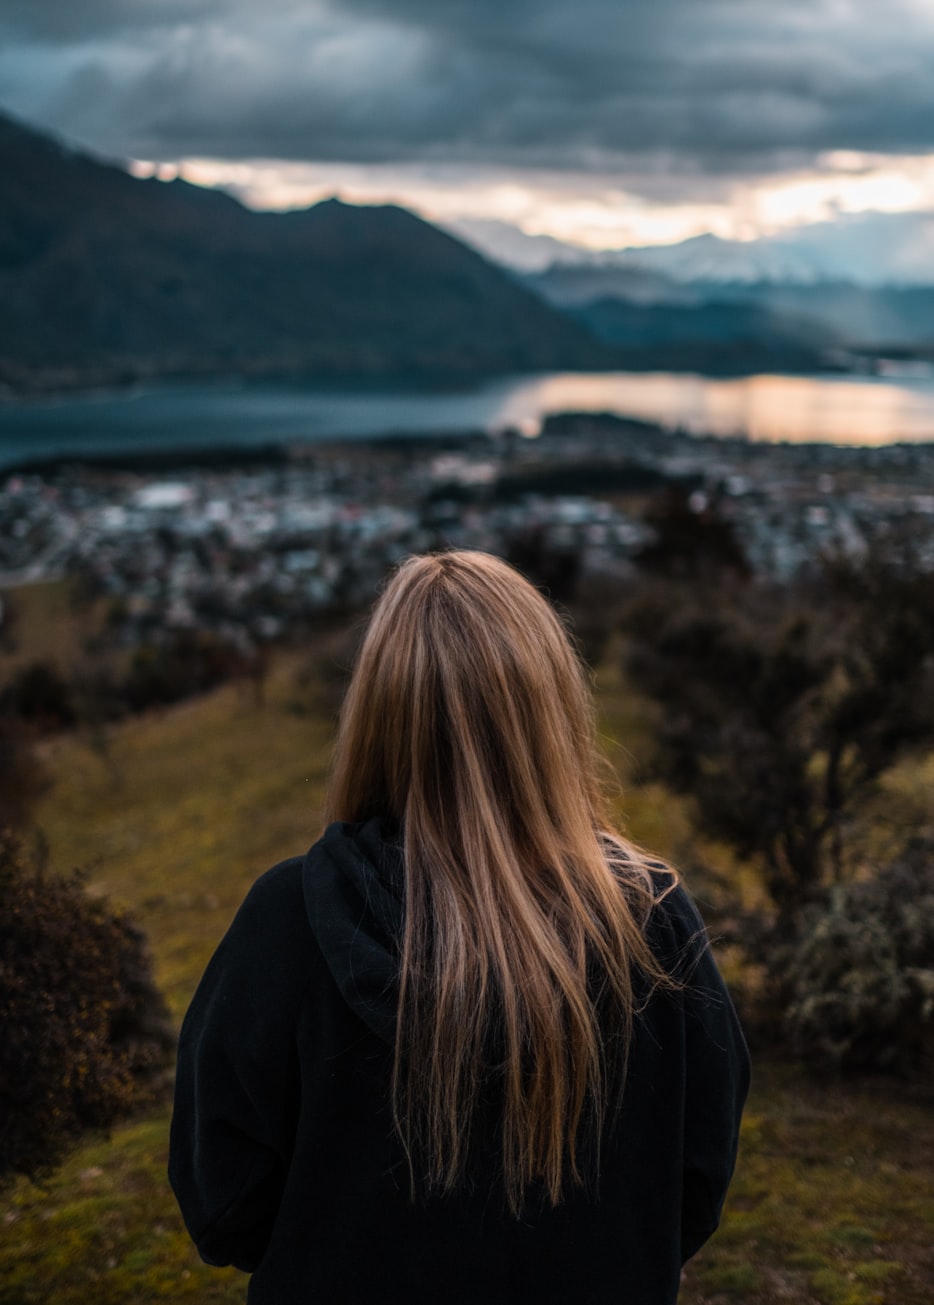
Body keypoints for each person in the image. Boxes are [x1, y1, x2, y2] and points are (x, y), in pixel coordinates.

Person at [169, 550, 750, 1305]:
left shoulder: (290, 920)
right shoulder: (652, 918)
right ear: (551, 712)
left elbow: (224, 1205)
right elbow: (696, 1182)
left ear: (376, 712)